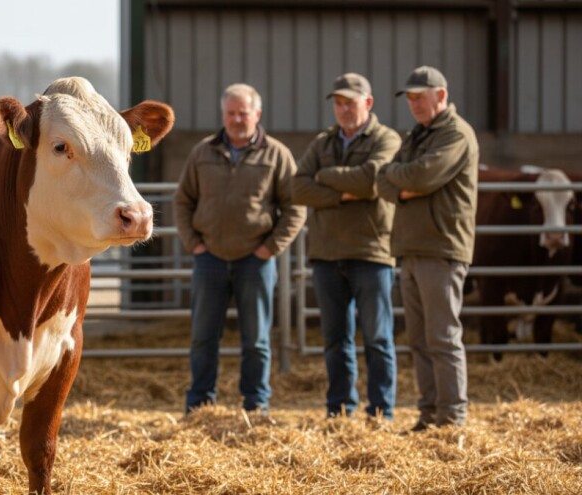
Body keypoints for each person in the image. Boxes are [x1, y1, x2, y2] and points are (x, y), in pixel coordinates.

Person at [174, 83, 306, 414]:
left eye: (243, 113)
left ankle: (255, 404)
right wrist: (194, 244)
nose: (236, 119)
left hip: (255, 259)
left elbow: (296, 206)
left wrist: (270, 248)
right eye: (230, 113)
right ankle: (200, 403)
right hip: (210, 259)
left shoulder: (276, 154)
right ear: (223, 114)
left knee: (257, 340)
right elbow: (182, 201)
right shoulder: (202, 152)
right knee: (203, 337)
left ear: (257, 114)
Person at [292, 73, 401, 420]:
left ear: (368, 103)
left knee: (377, 338)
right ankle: (339, 410)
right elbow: (297, 188)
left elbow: (373, 179)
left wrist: (324, 178)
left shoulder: (387, 138)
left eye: (349, 103)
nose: (343, 110)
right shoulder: (322, 142)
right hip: (326, 254)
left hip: (372, 251)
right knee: (335, 339)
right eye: (338, 103)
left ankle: (381, 412)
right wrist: (343, 191)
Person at [376, 65, 479, 430]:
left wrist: (403, 180)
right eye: (410, 98)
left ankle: (451, 418)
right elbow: (382, 181)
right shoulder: (418, 135)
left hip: (441, 247)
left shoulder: (455, 134)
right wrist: (402, 182)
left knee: (443, 337)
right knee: (419, 339)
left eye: (421, 97)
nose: (414, 104)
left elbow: (421, 176)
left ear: (442, 95)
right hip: (413, 247)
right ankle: (428, 415)